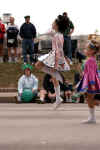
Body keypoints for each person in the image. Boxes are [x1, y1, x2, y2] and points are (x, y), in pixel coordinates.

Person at [35, 15, 70, 109]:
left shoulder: (58, 35)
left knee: (38, 65)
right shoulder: (57, 34)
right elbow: (49, 33)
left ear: (57, 25)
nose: (52, 23)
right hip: (53, 54)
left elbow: (59, 49)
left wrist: (56, 63)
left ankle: (56, 74)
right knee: (53, 78)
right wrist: (41, 34)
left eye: (54, 22)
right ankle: (58, 99)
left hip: (55, 55)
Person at [77, 39, 100, 124]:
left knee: (90, 99)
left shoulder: (90, 60)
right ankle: (92, 117)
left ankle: (92, 117)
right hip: (90, 80)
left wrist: (92, 83)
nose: (84, 50)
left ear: (92, 51)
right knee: (89, 98)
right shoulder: (92, 59)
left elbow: (91, 73)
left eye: (86, 49)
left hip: (91, 82)